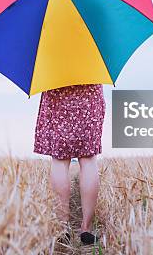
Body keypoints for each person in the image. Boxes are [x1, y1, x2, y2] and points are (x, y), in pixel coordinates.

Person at [33, 84, 105, 246]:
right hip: (89, 93)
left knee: (59, 160)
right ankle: (86, 229)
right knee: (88, 160)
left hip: (57, 90)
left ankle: (62, 227)